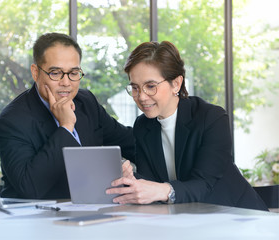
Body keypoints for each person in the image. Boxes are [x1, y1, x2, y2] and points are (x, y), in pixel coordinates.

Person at [106, 41, 268, 211]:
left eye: (150, 86)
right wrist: (132, 179)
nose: (141, 97)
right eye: (135, 88)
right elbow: (152, 184)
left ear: (176, 83)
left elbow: (205, 184)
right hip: (188, 219)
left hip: (237, 216)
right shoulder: (143, 126)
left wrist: (163, 190)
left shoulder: (212, 118)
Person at [0, 32, 135, 200]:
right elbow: (29, 187)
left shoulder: (86, 102)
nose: (66, 82)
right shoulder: (11, 121)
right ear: (35, 72)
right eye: (55, 73)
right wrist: (66, 126)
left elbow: (132, 143)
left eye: (73, 73)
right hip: (33, 219)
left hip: (90, 210)